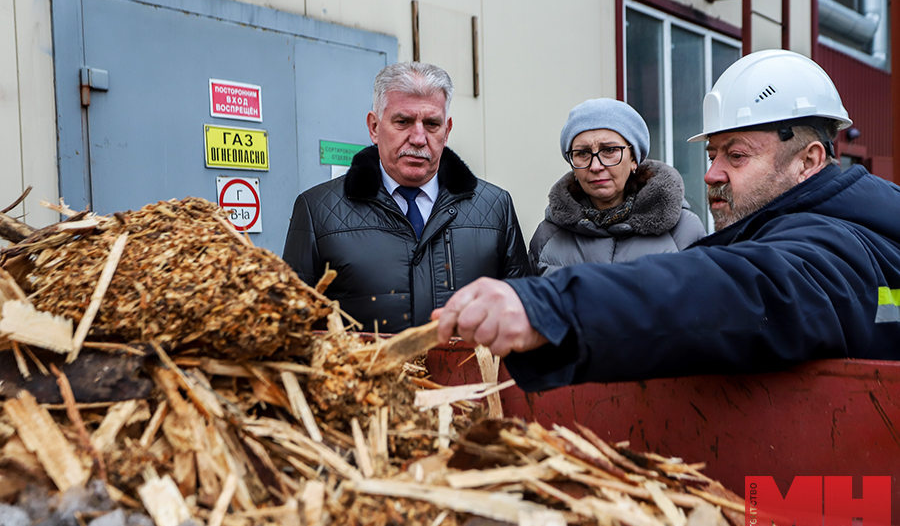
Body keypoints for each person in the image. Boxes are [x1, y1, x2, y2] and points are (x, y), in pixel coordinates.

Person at [434, 49, 900, 390]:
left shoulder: (841, 248)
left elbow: (743, 288)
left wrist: (552, 308)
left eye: (736, 156)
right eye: (714, 153)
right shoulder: (836, 223)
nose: (712, 173)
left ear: (809, 161)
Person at [283, 62, 530, 333]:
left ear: (446, 130)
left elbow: (521, 314)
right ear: (374, 127)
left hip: (469, 377)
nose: (418, 138)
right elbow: (294, 330)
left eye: (432, 124)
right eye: (403, 122)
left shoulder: (495, 208)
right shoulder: (317, 211)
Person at [529, 98, 705, 275]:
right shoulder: (548, 237)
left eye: (609, 150)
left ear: (634, 159)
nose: (596, 166)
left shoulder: (683, 231)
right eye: (582, 153)